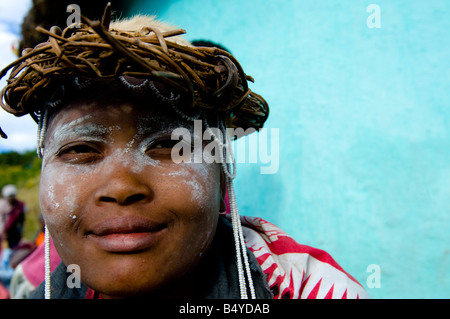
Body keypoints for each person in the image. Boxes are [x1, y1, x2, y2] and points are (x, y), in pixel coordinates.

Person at [0, 4, 368, 299]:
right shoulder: (36, 287)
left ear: (223, 169)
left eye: (167, 146)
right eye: (79, 149)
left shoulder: (305, 288)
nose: (121, 186)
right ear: (43, 169)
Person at [0, 185, 26, 249]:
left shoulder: (19, 205)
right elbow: (1, 221)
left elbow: (22, 220)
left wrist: (20, 231)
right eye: (10, 196)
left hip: (14, 231)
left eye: (13, 196)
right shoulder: (2, 205)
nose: (11, 198)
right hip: (4, 231)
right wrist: (3, 233)